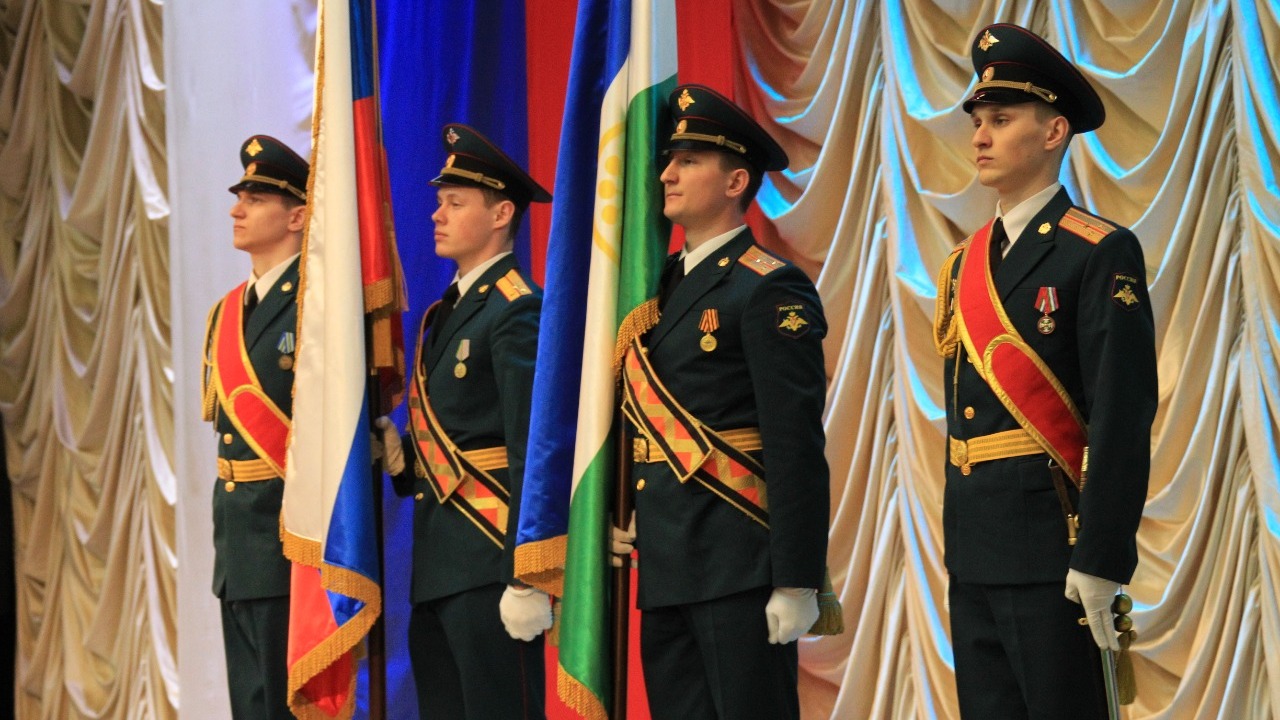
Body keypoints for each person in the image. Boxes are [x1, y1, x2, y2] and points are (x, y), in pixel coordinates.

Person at [932, 23, 1158, 719]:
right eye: (978, 122)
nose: (980, 137)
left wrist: (1102, 558)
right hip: (975, 551)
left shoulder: (1097, 251)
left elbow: (1121, 414)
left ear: (1055, 131)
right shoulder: (963, 264)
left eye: (1001, 120)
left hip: (1056, 552)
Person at [610, 84, 831, 720]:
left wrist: (797, 578)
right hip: (666, 564)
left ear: (736, 181)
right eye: (669, 160)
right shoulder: (652, 291)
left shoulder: (768, 287)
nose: (667, 174)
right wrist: (620, 509)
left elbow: (794, 442)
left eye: (689, 161)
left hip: (739, 563)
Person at [376, 123, 551, 719]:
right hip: (437, 568)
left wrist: (526, 574)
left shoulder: (517, 309)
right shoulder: (445, 313)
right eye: (439, 201)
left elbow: (533, 450)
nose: (436, 214)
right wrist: (399, 457)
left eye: (455, 202)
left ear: (502, 213)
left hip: (490, 563)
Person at [201, 134, 309, 719]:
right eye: (239, 197)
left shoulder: (317, 306)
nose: (236, 210)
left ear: (297, 216)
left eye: (256, 198)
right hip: (237, 547)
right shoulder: (226, 312)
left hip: (290, 545)